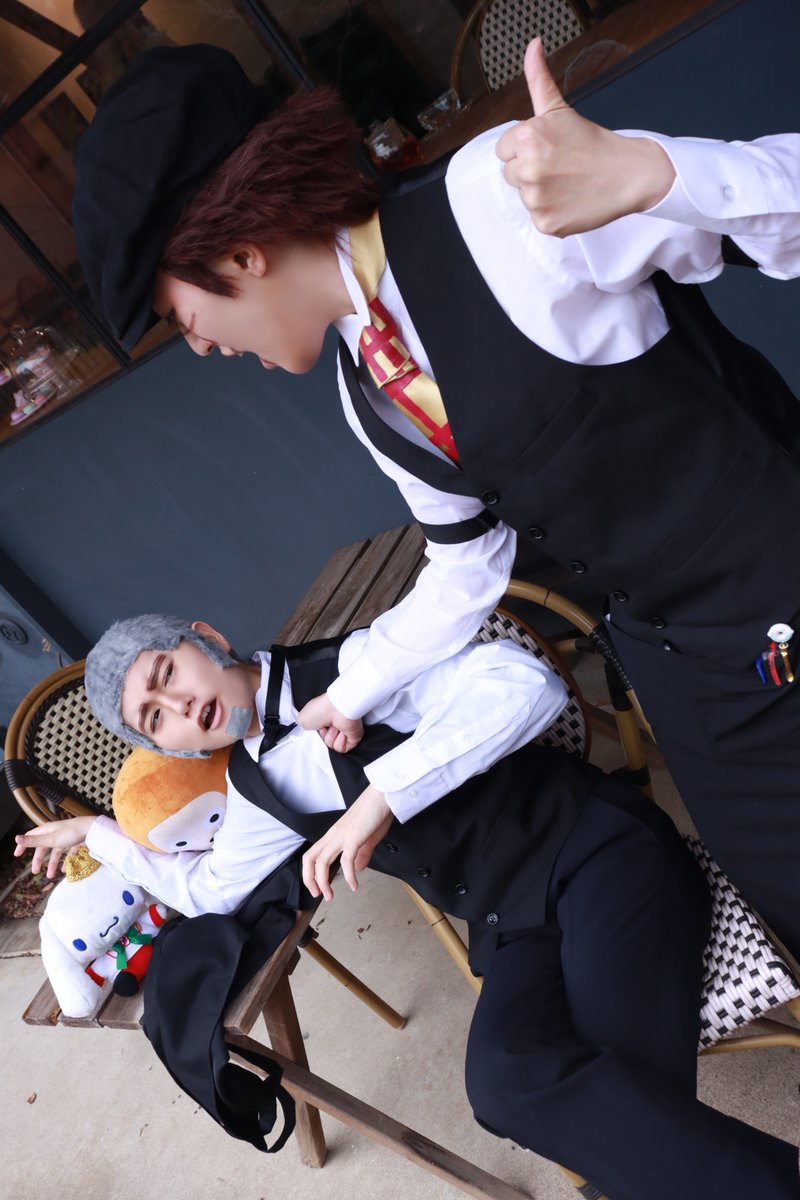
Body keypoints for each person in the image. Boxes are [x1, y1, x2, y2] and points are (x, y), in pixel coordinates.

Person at [70, 40, 800, 956]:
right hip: (684, 673)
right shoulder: (366, 391)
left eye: (184, 320)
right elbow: (467, 567)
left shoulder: (492, 203)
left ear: (240, 254)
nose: (204, 347)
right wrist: (349, 692)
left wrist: (651, 174)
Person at [14, 614, 800, 1197]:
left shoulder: (357, 663)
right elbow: (209, 889)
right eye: (156, 718)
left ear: (204, 638)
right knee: (502, 1085)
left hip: (599, 853)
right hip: (515, 921)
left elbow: (525, 685)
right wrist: (101, 834)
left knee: (616, 1086)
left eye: (167, 674)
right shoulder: (253, 786)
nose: (181, 706)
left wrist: (381, 797)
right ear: (169, 747)